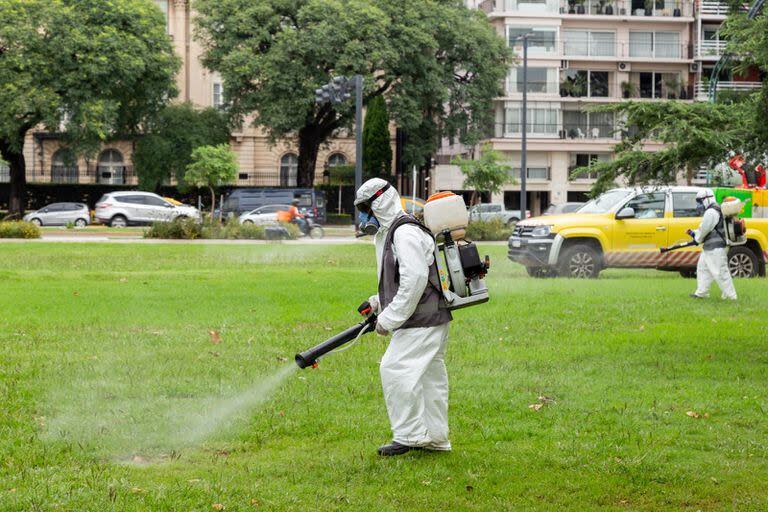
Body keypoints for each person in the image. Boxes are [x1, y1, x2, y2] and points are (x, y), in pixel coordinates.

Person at [354, 178, 453, 456]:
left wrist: (390, 318)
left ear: (380, 203)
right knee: (428, 378)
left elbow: (416, 278)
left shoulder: (405, 232)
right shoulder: (395, 231)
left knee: (395, 367)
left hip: (420, 319)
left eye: (366, 208)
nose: (364, 216)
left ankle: (409, 436)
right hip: (429, 316)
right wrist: (377, 303)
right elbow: (402, 278)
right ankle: (436, 437)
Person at [689, 189, 737, 300]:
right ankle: (701, 293)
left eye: (700, 201)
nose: (699, 205)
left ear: (707, 199)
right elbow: (705, 229)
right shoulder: (714, 209)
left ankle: (731, 297)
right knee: (702, 269)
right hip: (709, 247)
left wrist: (697, 238)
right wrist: (694, 234)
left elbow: (705, 229)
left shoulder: (711, 212)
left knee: (720, 272)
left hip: (716, 248)